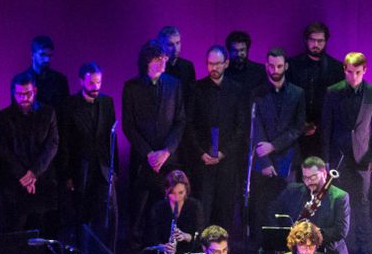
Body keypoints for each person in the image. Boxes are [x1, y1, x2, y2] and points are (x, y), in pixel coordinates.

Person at [121, 41, 187, 243]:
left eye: (165, 58)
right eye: (158, 59)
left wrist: (166, 151)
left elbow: (180, 121)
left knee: (165, 211)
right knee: (138, 212)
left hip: (168, 160)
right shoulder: (132, 87)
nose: (163, 62)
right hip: (144, 161)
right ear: (147, 61)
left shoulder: (173, 84)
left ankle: (162, 253)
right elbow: (128, 126)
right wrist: (149, 154)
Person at [320, 51, 372, 251]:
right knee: (335, 203)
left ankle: (363, 246)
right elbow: (326, 127)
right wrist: (326, 159)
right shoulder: (333, 91)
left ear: (364, 70)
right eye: (349, 72)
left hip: (363, 157)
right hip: (338, 157)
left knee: (362, 203)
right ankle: (335, 247)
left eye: (357, 72)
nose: (352, 76)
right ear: (344, 70)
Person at [186, 45, 248, 231]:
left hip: (227, 161)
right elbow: (189, 125)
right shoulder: (196, 88)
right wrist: (201, 152)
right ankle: (202, 252)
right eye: (210, 64)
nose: (214, 68)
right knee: (203, 207)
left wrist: (224, 152)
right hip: (202, 161)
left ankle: (223, 251)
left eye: (218, 64)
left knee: (225, 208)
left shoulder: (237, 90)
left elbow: (241, 127)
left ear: (226, 63)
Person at [0, 71, 60, 234]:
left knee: (44, 234)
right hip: (15, 186)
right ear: (13, 93)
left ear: (35, 91)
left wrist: (34, 173)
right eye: (19, 94)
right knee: (16, 235)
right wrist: (24, 176)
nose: (24, 98)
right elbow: (4, 150)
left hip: (42, 183)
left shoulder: (48, 112)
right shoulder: (4, 117)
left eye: (28, 94)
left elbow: (52, 145)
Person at [248, 49, 306, 231]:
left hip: (287, 157)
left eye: (279, 66)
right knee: (262, 205)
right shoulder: (257, 93)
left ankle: (284, 248)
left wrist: (273, 146)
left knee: (288, 205)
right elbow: (255, 128)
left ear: (286, 66)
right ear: (266, 66)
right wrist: (264, 161)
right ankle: (260, 246)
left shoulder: (297, 93)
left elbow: (298, 128)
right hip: (262, 159)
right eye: (271, 66)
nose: (275, 69)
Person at [59, 61, 116, 237]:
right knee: (80, 216)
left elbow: (111, 136)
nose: (96, 87)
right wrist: (67, 175)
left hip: (102, 169)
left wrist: (114, 169)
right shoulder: (69, 105)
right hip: (80, 170)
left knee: (104, 217)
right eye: (91, 82)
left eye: (98, 82)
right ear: (81, 81)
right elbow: (65, 142)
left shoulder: (107, 102)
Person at [271, 156, 350, 254]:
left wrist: (313, 234)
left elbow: (341, 231)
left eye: (313, 177)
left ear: (324, 173)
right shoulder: (294, 190)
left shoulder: (340, 197)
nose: (309, 182)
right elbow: (273, 210)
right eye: (305, 178)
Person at [286, 21, 342, 161]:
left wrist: (316, 124)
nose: (316, 44)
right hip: (295, 132)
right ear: (306, 40)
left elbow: (336, 104)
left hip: (324, 133)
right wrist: (301, 124)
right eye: (312, 40)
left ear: (326, 41)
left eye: (320, 41)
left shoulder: (336, 68)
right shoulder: (292, 65)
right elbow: (287, 99)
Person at [144, 170, 205, 254]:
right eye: (172, 193)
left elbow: (201, 235)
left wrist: (185, 236)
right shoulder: (159, 207)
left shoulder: (195, 206)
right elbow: (151, 237)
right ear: (166, 191)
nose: (177, 198)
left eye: (181, 193)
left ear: (186, 190)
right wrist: (162, 246)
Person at [29, 35, 70, 110]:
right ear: (32, 55)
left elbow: (66, 110)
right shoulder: (22, 81)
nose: (47, 59)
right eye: (42, 54)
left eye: (50, 55)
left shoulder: (60, 80)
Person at [156, 26, 196, 90]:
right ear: (162, 45)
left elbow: (192, 95)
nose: (175, 48)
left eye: (178, 43)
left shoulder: (188, 66)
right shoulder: (156, 67)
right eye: (170, 44)